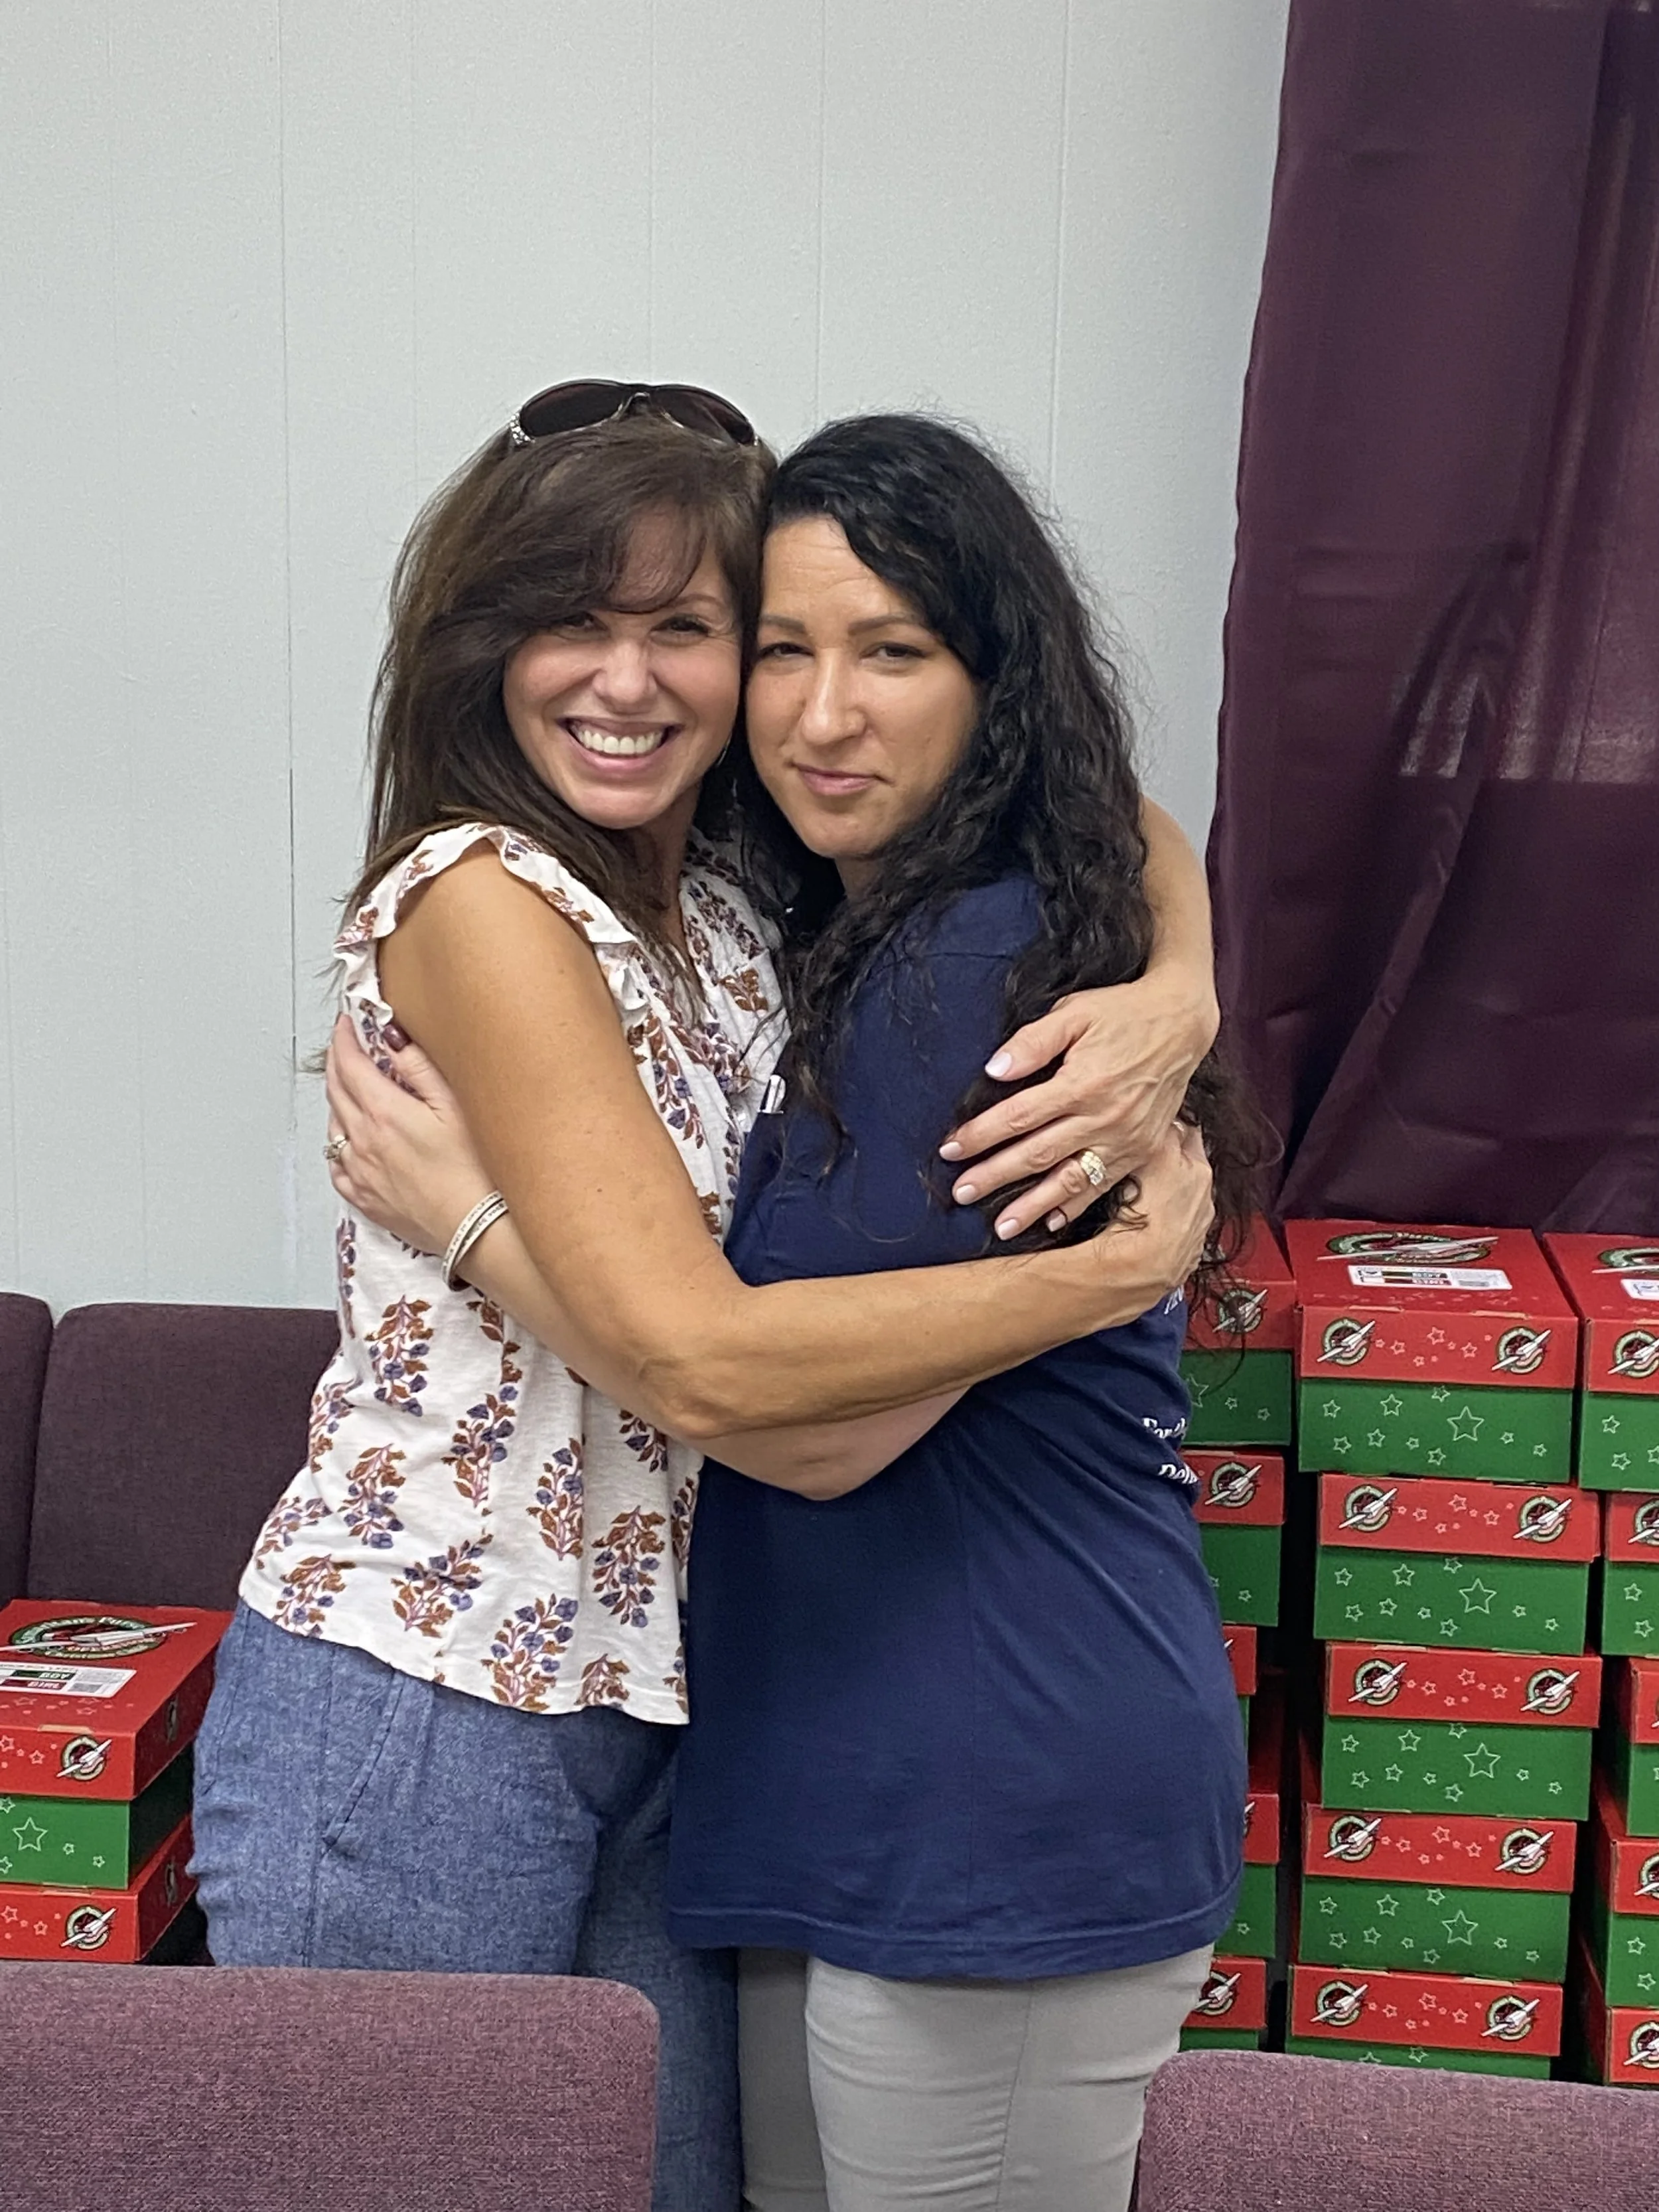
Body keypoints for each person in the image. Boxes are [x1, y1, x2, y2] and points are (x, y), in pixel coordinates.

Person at [193, 382, 1220, 2212]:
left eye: (686, 627)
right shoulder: (483, 893)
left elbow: (1079, 787)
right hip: (437, 1689)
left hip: (674, 1696)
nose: (629, 680)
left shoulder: (739, 882)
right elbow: (701, 1361)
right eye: (570, 621)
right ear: (480, 646)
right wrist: (1109, 1276)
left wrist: (1182, 986)